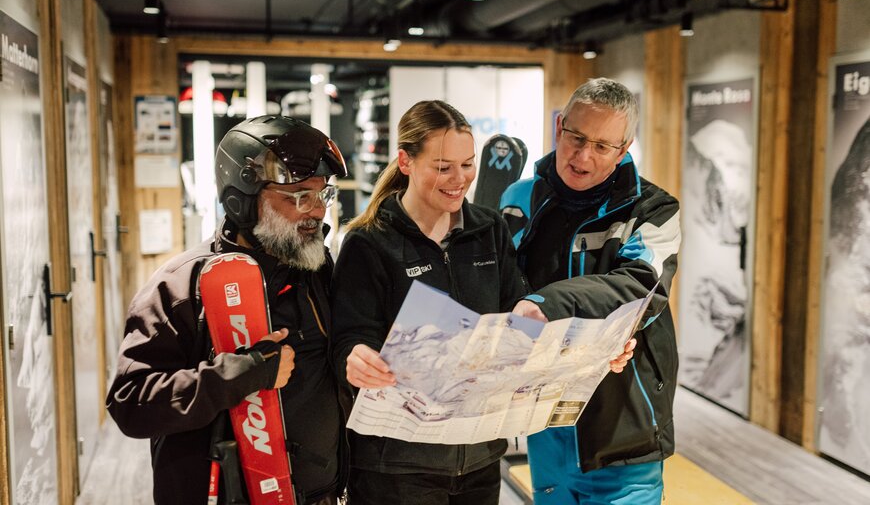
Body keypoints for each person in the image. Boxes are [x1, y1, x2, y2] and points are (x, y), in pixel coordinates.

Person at [329, 100, 635, 505]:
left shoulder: (489, 229)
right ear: (405, 161)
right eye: (443, 168)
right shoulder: (370, 242)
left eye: (468, 164)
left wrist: (591, 351)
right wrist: (355, 356)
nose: (460, 180)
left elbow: (521, 321)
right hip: (398, 467)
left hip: (479, 459)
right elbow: (348, 336)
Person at [107, 115, 352, 505]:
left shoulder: (315, 268)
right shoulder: (183, 285)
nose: (318, 211)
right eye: (300, 196)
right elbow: (131, 402)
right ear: (244, 198)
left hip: (318, 494)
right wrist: (241, 373)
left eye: (323, 195)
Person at [501, 78, 681, 504]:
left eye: (602, 146)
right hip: (545, 421)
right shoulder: (519, 199)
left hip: (621, 429)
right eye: (577, 137)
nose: (583, 156)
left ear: (624, 149)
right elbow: (498, 285)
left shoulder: (653, 210)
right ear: (560, 126)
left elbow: (639, 288)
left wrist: (545, 304)